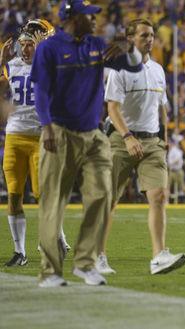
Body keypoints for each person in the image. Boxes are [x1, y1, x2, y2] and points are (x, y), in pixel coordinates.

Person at [31, 0, 143, 287]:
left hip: (93, 135)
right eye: (89, 16)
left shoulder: (95, 43)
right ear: (72, 17)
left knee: (103, 195)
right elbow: (41, 91)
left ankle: (84, 263)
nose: (95, 20)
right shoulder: (49, 48)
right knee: (53, 202)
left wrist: (129, 49)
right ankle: (50, 271)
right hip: (59, 132)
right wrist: (47, 126)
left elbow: (134, 66)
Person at [97, 18, 185, 275]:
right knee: (108, 200)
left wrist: (165, 136)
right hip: (120, 139)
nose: (150, 39)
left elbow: (163, 106)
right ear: (130, 39)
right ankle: (97, 255)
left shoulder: (158, 70)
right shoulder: (119, 69)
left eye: (151, 35)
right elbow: (112, 108)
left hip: (152, 140)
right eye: (144, 35)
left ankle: (159, 256)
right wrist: (127, 137)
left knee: (158, 196)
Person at [0, 19, 71, 267]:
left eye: (30, 44)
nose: (26, 49)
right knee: (14, 195)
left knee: (45, 195)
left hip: (41, 136)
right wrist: (0, 62)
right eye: (24, 44)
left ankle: (57, 238)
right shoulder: (11, 65)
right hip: (15, 136)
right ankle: (20, 252)